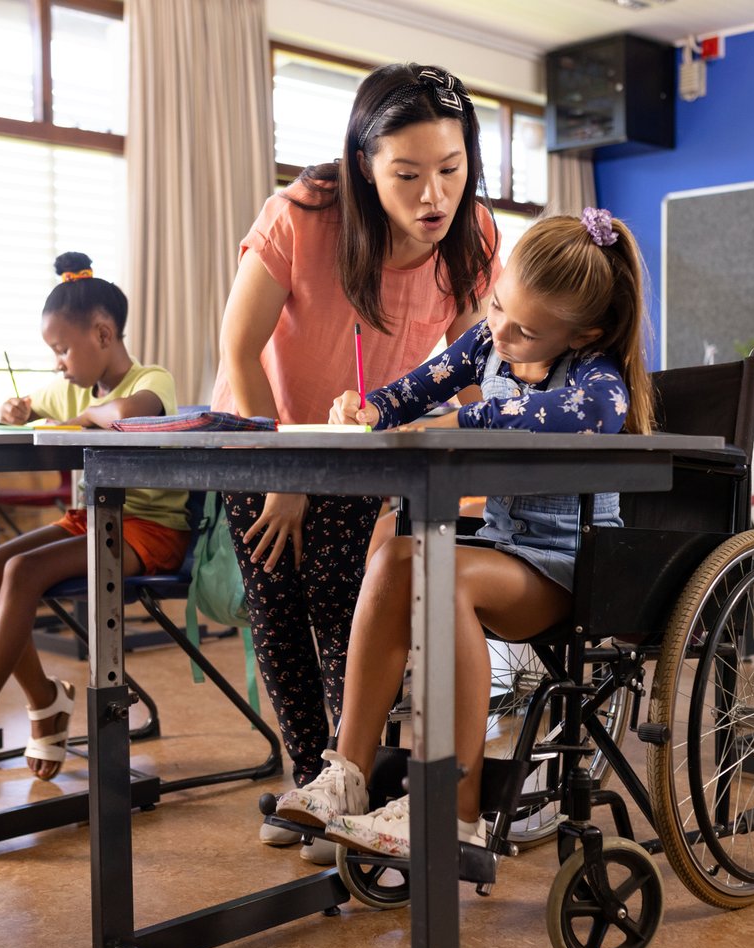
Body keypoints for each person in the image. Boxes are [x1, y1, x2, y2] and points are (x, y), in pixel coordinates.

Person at [272, 210, 655, 857]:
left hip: (575, 566)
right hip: (508, 549)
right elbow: (414, 390)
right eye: (498, 305)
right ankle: (347, 776)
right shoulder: (487, 341)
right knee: (396, 554)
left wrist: (455, 421)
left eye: (526, 329)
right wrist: (370, 408)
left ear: (583, 332)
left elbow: (550, 414)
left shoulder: (599, 384)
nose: (500, 330)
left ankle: (453, 809)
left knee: (440, 574)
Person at [210, 63, 500, 860]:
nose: (432, 196)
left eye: (451, 170)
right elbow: (238, 350)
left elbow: (477, 369)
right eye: (407, 175)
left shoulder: (469, 239)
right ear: (365, 167)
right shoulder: (303, 216)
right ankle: (310, 780)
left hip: (364, 443)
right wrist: (284, 468)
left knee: (344, 603)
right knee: (277, 605)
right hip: (261, 435)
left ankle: (347, 777)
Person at [0, 252, 190, 780]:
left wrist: (79, 418)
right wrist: (19, 411)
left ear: (102, 334)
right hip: (91, 520)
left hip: (149, 529)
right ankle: (47, 704)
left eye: (62, 349)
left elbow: (125, 413)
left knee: (22, 573)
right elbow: (31, 404)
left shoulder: (151, 377)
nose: (57, 362)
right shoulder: (72, 384)